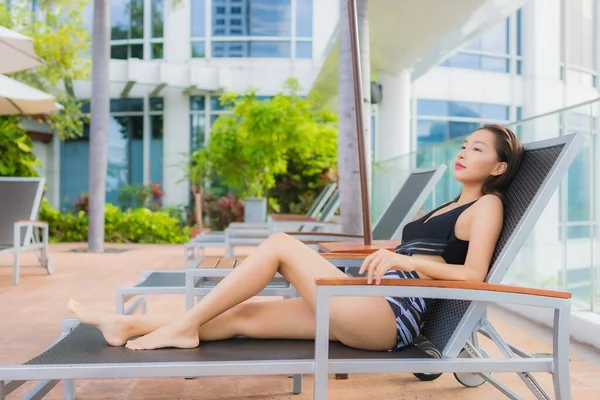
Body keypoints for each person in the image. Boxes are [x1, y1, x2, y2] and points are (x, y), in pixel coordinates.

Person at [68, 124, 524, 352]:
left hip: (391, 316)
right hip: (367, 299)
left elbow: (474, 274)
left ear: (499, 168)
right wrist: (389, 253)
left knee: (283, 244)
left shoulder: (488, 205)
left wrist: (409, 264)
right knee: (243, 314)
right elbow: (407, 250)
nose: (464, 153)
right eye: (465, 145)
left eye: (477, 149)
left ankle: (182, 327)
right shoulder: (447, 204)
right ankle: (126, 325)